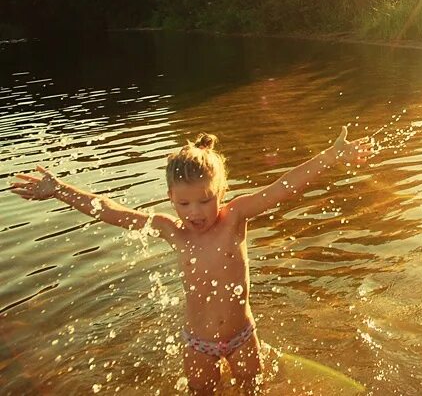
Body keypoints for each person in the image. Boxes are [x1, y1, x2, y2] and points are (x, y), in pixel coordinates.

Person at [11, 127, 374, 394]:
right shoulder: (173, 231)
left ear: (222, 192)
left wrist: (331, 156)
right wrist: (59, 189)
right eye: (184, 204)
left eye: (205, 200)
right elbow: (111, 210)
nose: (196, 212)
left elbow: (283, 186)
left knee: (251, 387)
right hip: (197, 344)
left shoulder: (235, 218)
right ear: (170, 197)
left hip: (243, 336)